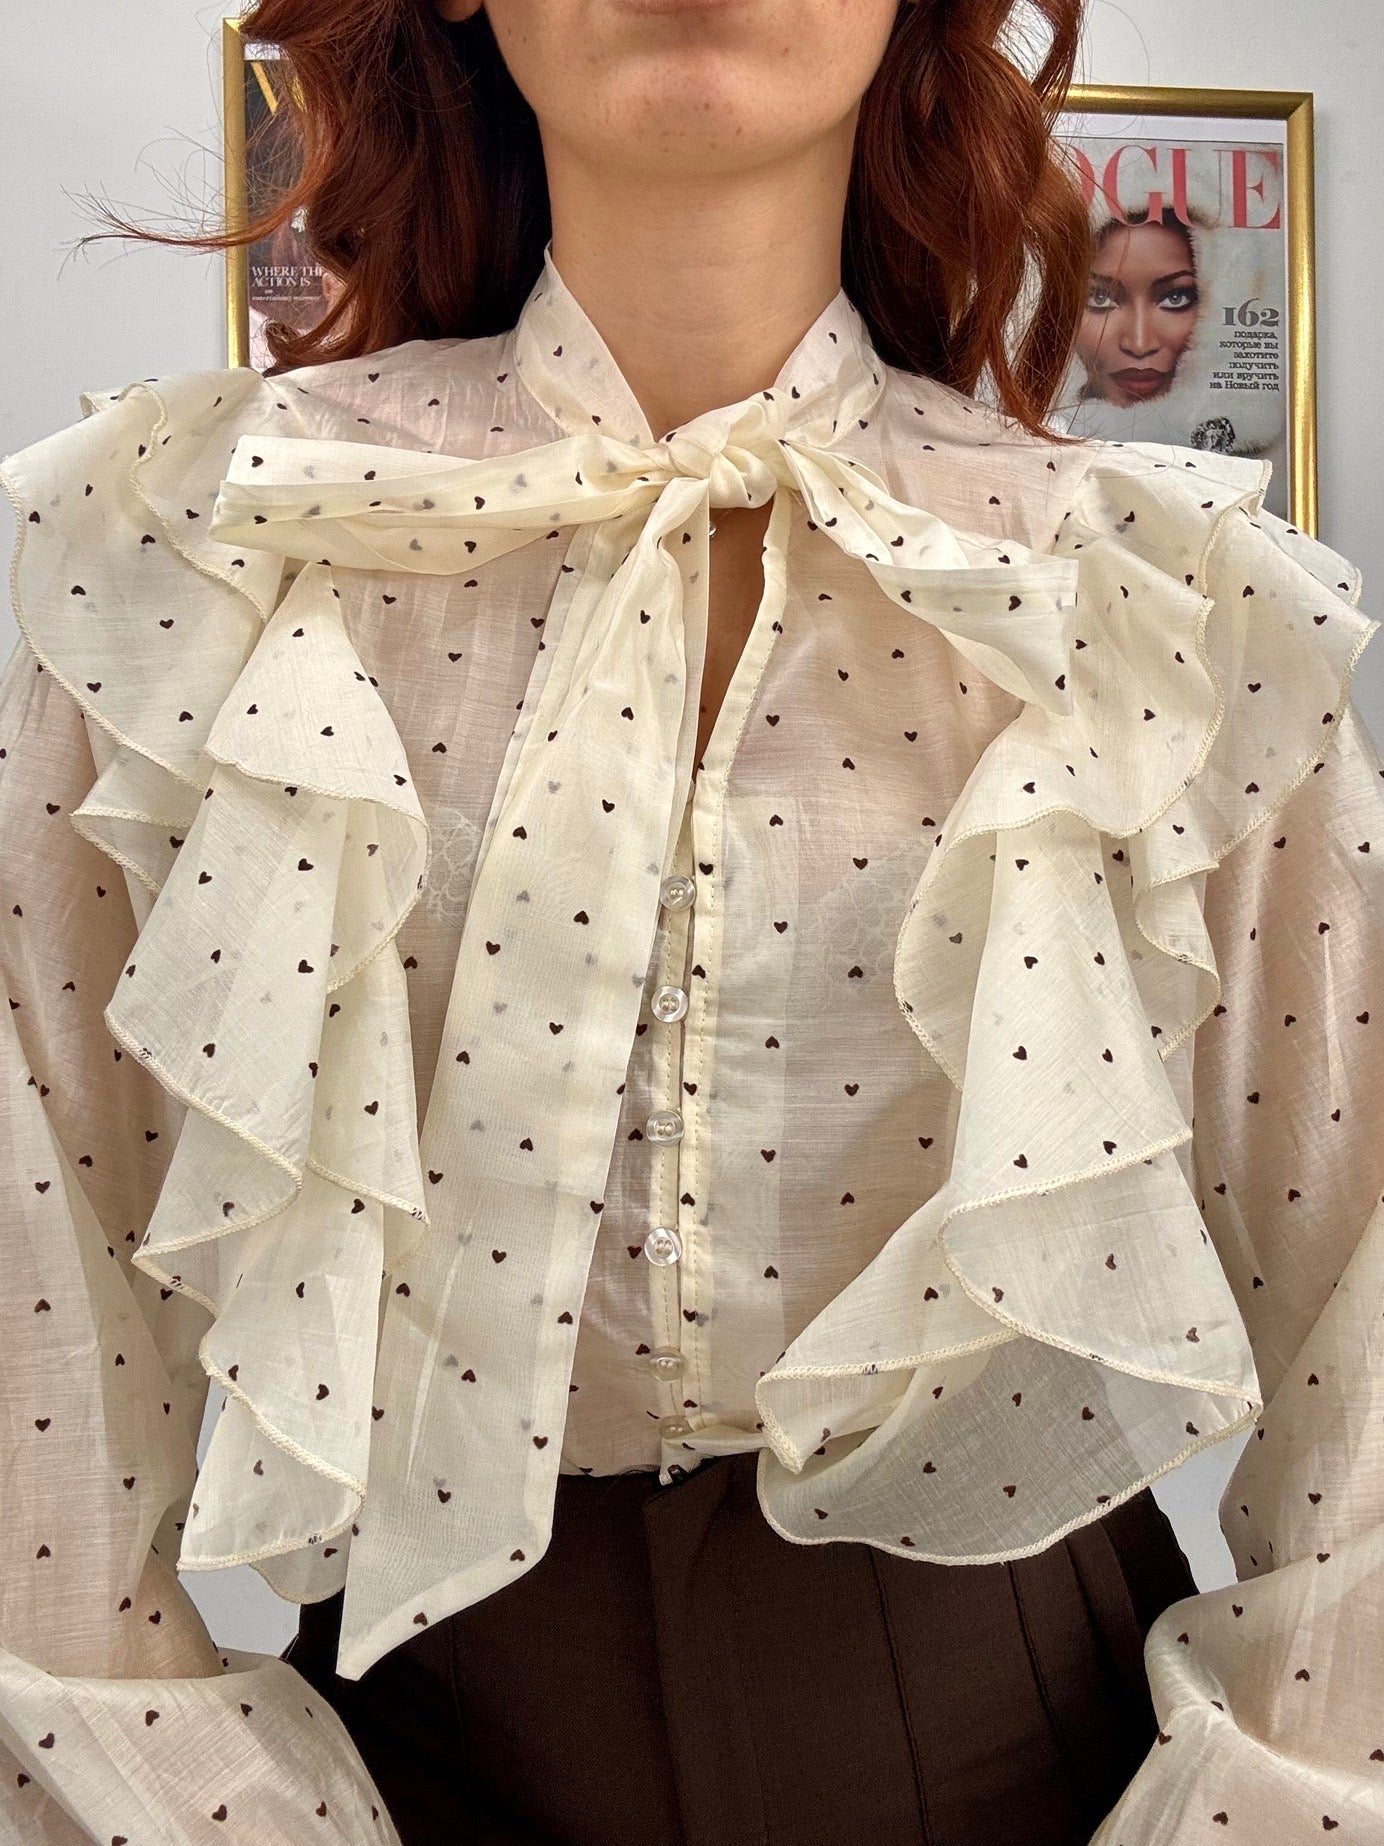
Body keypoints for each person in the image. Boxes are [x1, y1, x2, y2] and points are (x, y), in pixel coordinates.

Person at [2, 2, 1381, 1843]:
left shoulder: (1151, 597)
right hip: (404, 1748)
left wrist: (1277, 1792)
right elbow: (34, 1274)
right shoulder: (206, 544)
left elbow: (1367, 1284)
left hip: (1033, 1740)